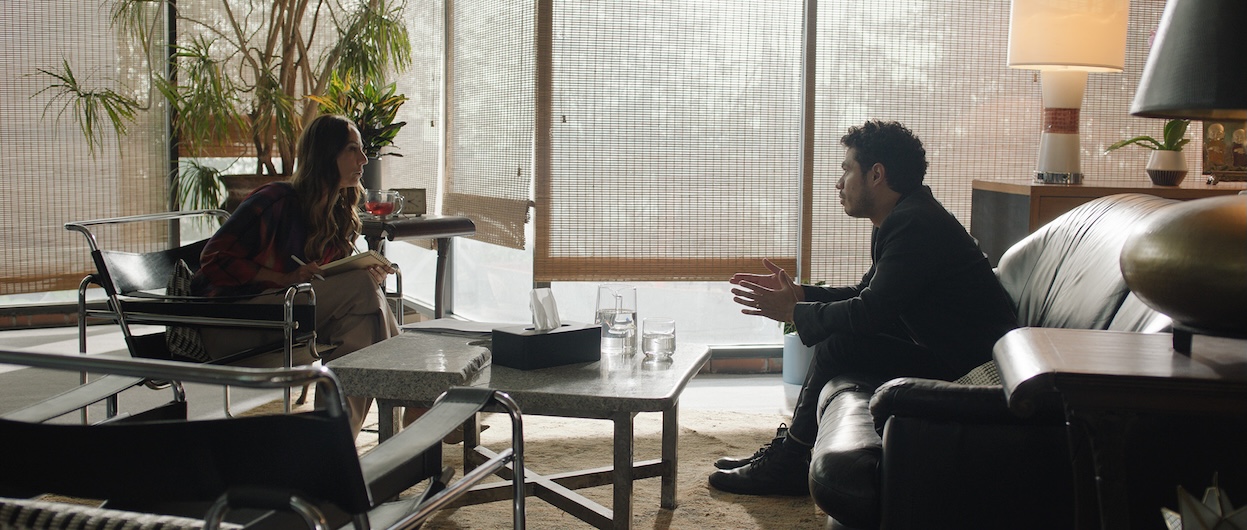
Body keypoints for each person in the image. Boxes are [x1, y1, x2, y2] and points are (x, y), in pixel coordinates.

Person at [707, 120, 1018, 496]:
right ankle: (791, 454)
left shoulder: (915, 224)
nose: (839, 184)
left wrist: (794, 312)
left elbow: (870, 312)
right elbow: (866, 293)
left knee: (841, 343)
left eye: (846, 170)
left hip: (972, 370)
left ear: (876, 174)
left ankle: (789, 461)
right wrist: (801, 295)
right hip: (946, 352)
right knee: (842, 339)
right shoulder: (902, 216)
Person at [191, 114, 398, 437]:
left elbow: (330, 282)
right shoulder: (275, 199)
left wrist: (360, 273)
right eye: (352, 149)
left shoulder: (337, 212)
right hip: (233, 323)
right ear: (325, 154)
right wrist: (284, 278)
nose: (363, 159)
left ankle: (330, 444)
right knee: (361, 289)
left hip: (289, 317)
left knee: (359, 326)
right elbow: (214, 260)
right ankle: (418, 398)